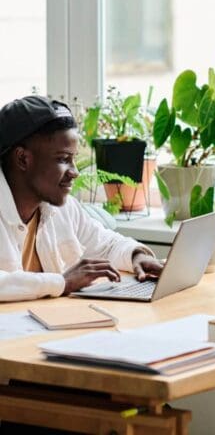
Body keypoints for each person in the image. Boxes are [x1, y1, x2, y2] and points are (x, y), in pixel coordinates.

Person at [0, 95, 163, 302]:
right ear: (23, 158)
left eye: (74, 159)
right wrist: (62, 282)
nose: (74, 172)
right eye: (63, 159)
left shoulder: (62, 207)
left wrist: (137, 256)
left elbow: (106, 244)